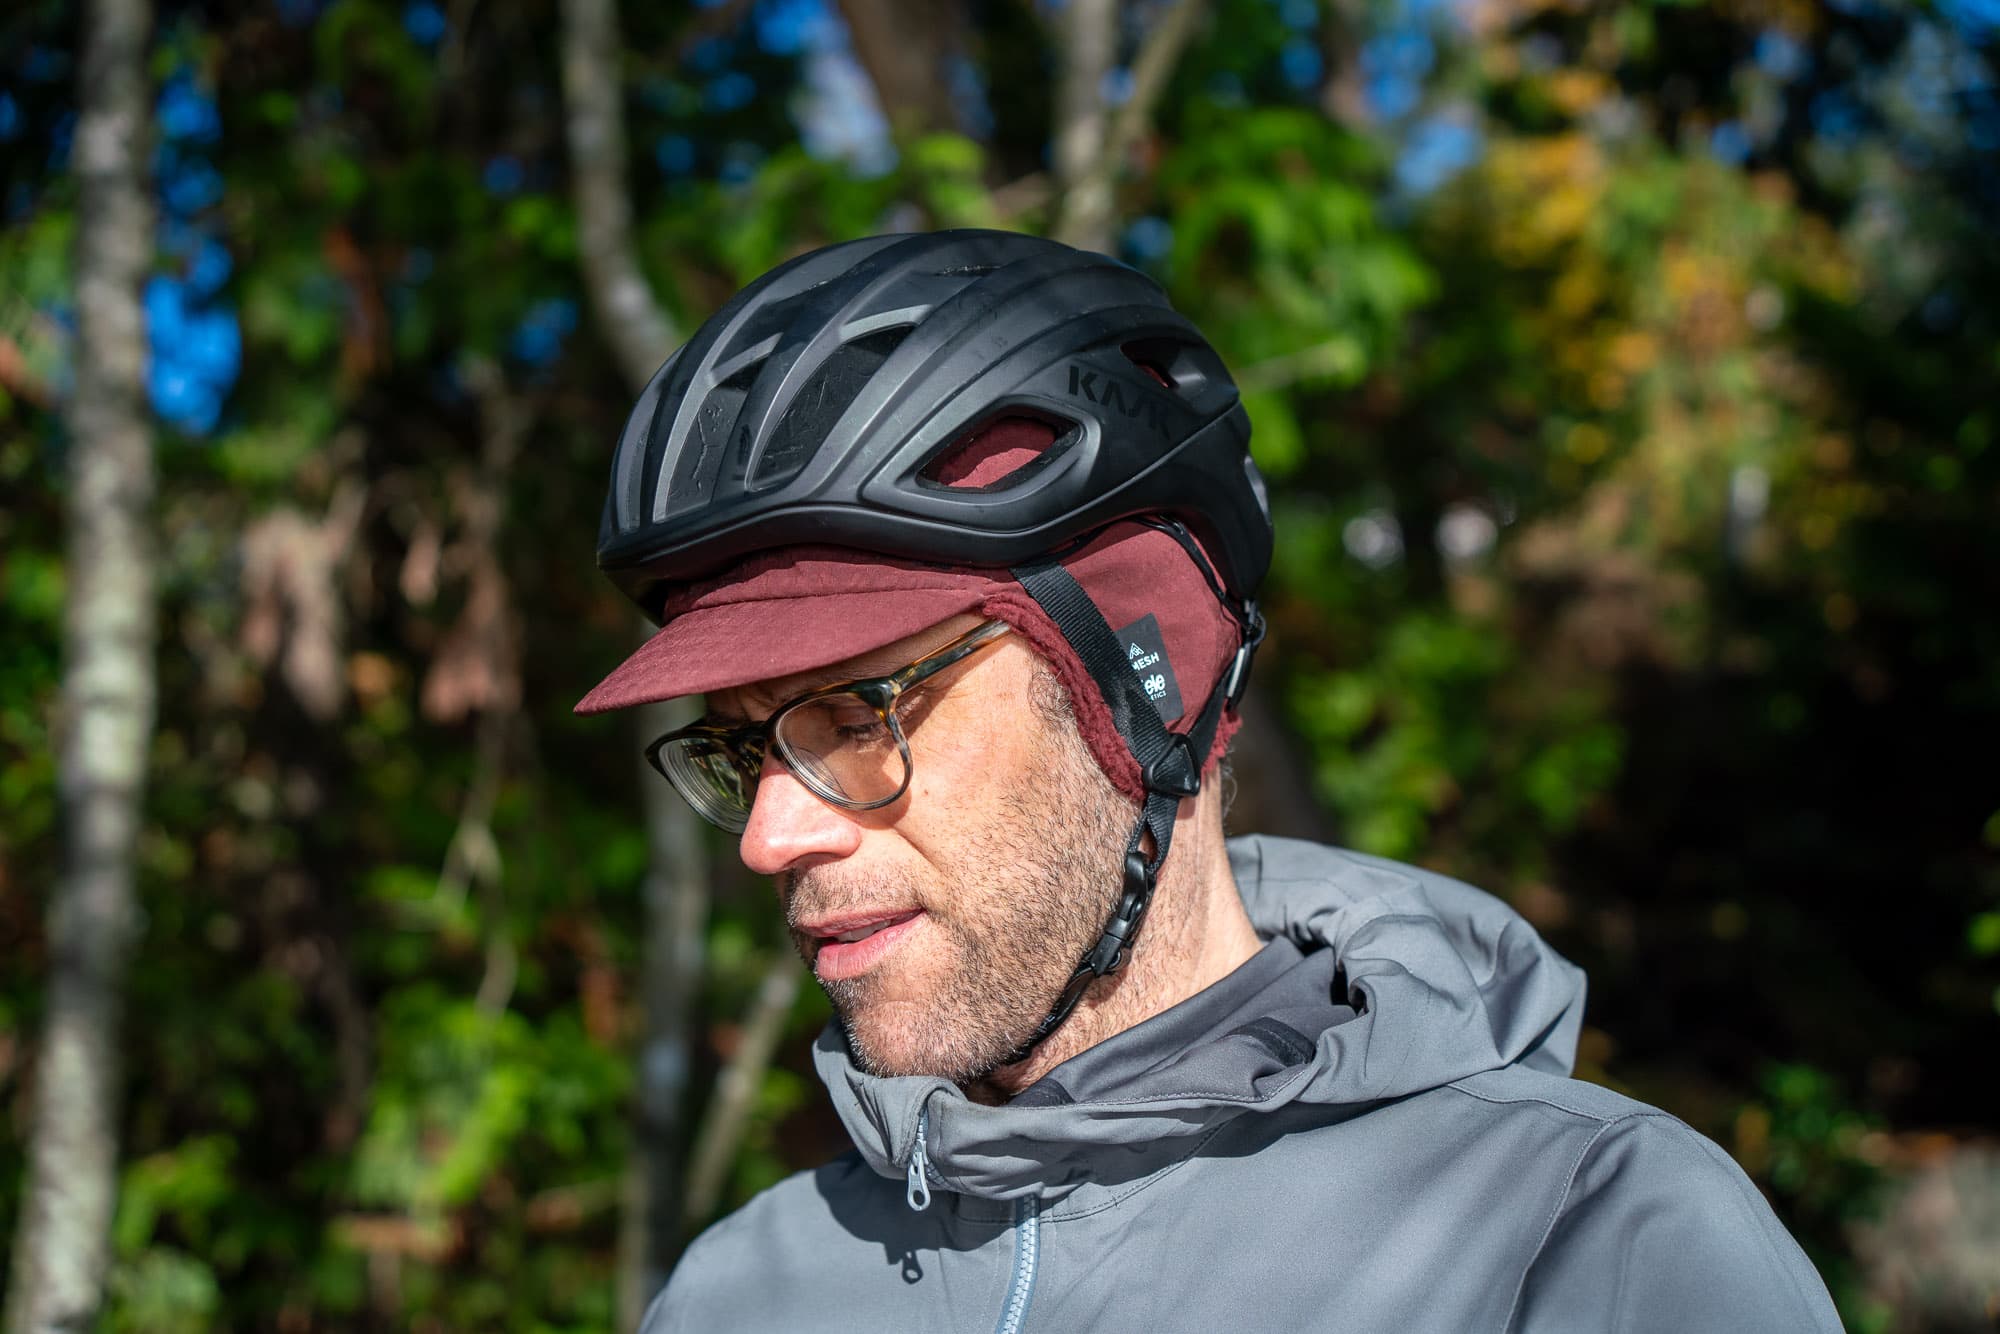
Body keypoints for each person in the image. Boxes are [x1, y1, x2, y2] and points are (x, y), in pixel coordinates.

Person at [576, 230, 1841, 1332]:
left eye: (855, 714)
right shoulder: (741, 1288)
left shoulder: (1583, 1242)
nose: (768, 833)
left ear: (1145, 686)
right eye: (745, 749)